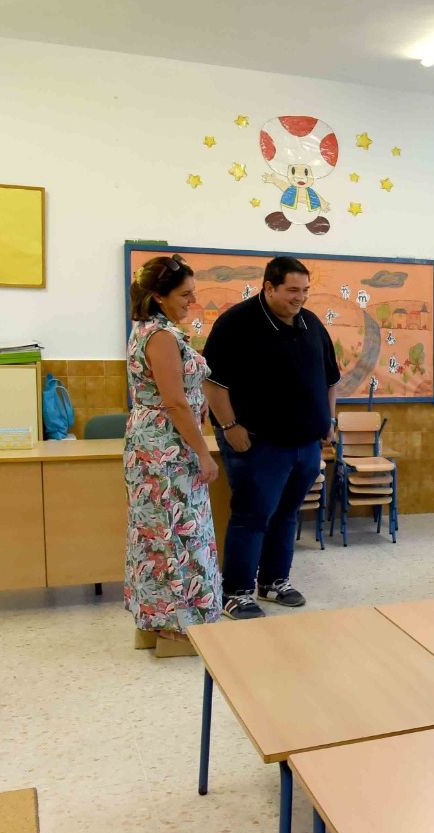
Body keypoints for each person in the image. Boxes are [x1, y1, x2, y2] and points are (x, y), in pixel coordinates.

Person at [202, 257, 340, 619]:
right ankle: (236, 592)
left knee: (287, 514)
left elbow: (330, 379)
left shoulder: (311, 324)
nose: (301, 298)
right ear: (269, 287)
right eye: (293, 290)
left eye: (306, 290)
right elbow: (214, 383)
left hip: (305, 444)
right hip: (258, 443)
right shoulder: (236, 323)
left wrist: (329, 419)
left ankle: (274, 582)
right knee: (252, 515)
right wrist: (230, 427)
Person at [123, 254, 222, 656]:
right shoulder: (161, 337)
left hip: (153, 444)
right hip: (167, 448)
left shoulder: (147, 330)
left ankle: (153, 625)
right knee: (179, 532)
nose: (191, 302)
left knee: (154, 532)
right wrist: (205, 453)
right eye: (185, 294)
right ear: (159, 296)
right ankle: (179, 631)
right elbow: (176, 403)